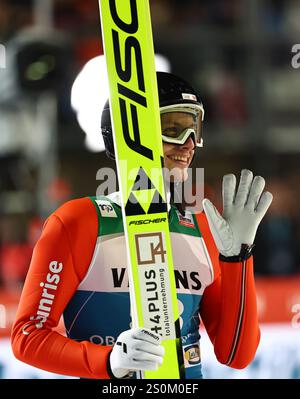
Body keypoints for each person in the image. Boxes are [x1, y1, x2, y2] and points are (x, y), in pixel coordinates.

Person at [11, 72, 273, 379]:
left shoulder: (202, 228)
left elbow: (236, 355)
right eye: (174, 129)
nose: (189, 145)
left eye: (194, 129)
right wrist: (110, 362)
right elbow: (27, 336)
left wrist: (239, 258)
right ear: (132, 133)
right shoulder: (80, 222)